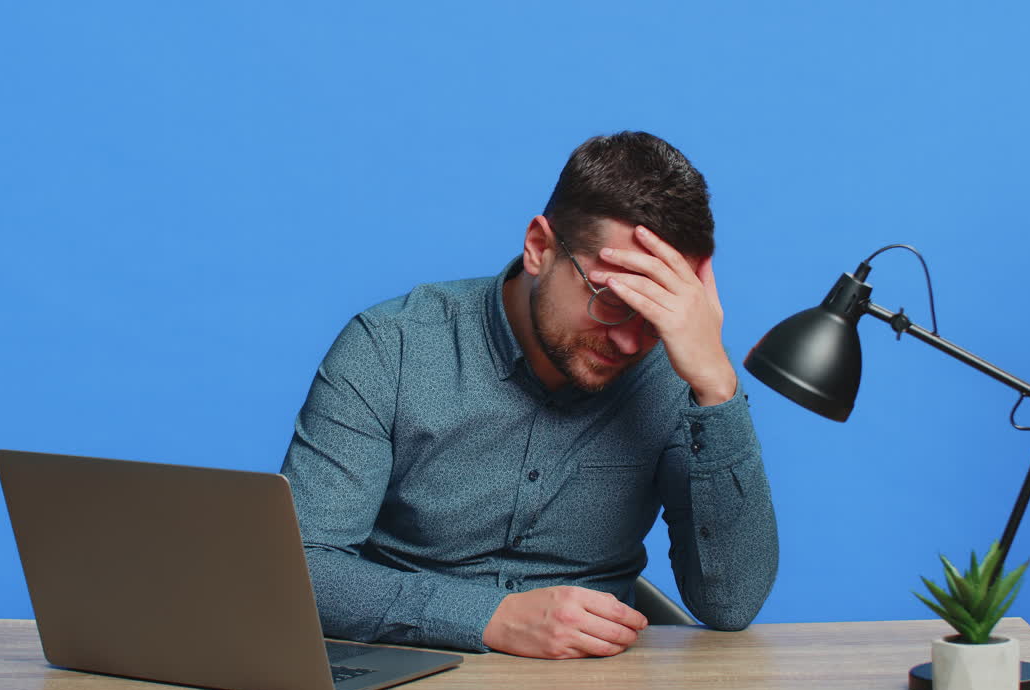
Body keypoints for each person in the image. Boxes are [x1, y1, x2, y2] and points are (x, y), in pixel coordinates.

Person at [281, 131, 778, 660]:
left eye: (655, 315)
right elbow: (304, 569)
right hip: (411, 670)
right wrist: (486, 617)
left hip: (599, 688)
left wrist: (716, 389)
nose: (631, 342)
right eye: (612, 301)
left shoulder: (678, 372)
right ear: (540, 247)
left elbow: (732, 604)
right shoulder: (392, 347)